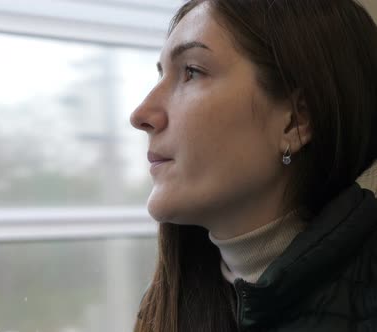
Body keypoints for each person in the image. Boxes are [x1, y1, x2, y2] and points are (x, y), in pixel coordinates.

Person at [129, 0, 377, 331]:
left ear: (295, 122)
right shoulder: (166, 302)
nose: (141, 115)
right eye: (161, 74)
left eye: (191, 71)